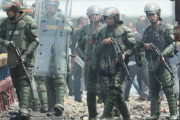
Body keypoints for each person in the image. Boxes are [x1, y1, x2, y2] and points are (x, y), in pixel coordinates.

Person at [94, 7, 136, 119]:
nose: (108, 21)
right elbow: (96, 51)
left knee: (113, 90)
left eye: (111, 18)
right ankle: (126, 117)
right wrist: (103, 43)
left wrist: (125, 54)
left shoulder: (126, 31)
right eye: (106, 18)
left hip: (120, 66)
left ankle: (105, 115)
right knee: (114, 94)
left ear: (116, 18)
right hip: (105, 65)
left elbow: (133, 48)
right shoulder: (101, 32)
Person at [0, 0, 39, 119]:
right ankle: (23, 108)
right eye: (6, 11)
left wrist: (25, 54)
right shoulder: (5, 23)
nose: (7, 13)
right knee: (16, 84)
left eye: (9, 11)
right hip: (11, 59)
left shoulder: (27, 22)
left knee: (24, 84)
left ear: (16, 10)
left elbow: (35, 40)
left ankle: (24, 111)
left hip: (25, 59)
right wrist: (5, 43)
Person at [34, 0, 73, 115]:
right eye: (49, 5)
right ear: (46, 6)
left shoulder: (63, 17)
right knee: (46, 79)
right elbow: (35, 31)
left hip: (59, 52)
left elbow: (70, 29)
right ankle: (50, 106)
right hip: (44, 51)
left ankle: (59, 105)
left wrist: (58, 27)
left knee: (60, 78)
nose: (51, 8)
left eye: (53, 6)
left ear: (57, 6)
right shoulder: (41, 18)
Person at [142, 3, 178, 119]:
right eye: (149, 15)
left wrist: (163, 54)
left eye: (153, 15)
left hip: (163, 63)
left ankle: (173, 114)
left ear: (158, 14)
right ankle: (154, 114)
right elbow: (140, 45)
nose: (151, 17)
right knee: (153, 90)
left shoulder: (166, 28)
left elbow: (173, 43)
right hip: (151, 63)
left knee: (168, 89)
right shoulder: (147, 31)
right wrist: (145, 45)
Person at [76, 5, 106, 119]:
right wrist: (85, 58)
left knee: (106, 89)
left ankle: (111, 112)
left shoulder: (105, 28)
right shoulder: (84, 29)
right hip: (90, 64)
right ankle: (92, 115)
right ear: (89, 16)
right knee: (91, 90)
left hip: (104, 64)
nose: (95, 16)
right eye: (93, 14)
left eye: (97, 14)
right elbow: (79, 47)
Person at [124, 22, 149, 101]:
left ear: (134, 27)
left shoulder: (131, 37)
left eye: (130, 27)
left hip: (134, 61)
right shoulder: (141, 35)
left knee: (129, 80)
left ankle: (126, 97)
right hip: (143, 60)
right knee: (145, 79)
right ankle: (154, 94)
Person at [71, 17, 88, 102]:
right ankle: (79, 96)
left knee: (76, 77)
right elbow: (77, 47)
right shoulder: (83, 32)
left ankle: (77, 97)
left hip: (74, 57)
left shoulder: (73, 32)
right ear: (84, 23)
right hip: (80, 57)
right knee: (82, 77)